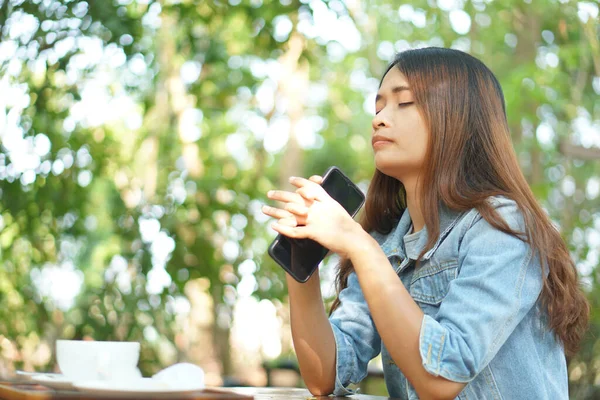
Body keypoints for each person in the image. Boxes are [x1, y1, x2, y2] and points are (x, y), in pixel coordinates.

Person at [261, 47, 589, 399]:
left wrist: (358, 245)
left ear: (459, 118)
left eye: (404, 103)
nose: (379, 119)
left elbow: (443, 377)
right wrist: (301, 259)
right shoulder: (386, 242)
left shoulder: (504, 225)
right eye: (378, 106)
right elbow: (324, 375)